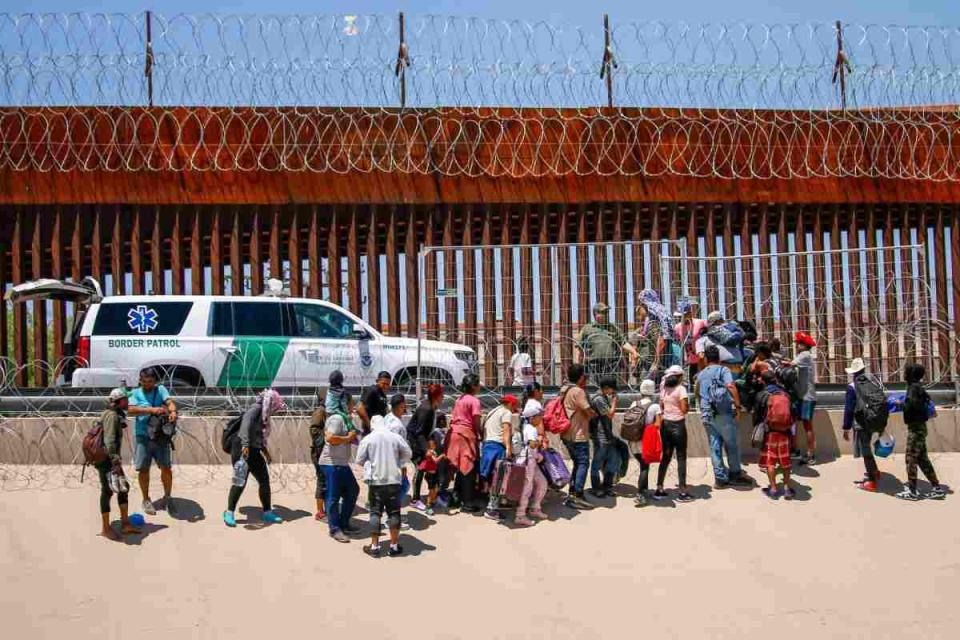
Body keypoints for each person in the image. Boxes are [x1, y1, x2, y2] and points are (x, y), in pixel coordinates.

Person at [223, 389, 287, 527]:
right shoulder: (256, 409)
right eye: (275, 405)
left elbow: (259, 436)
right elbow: (245, 425)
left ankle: (267, 511)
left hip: (254, 449)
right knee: (240, 481)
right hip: (241, 448)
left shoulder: (264, 415)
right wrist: (245, 446)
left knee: (264, 480)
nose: (275, 409)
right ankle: (229, 512)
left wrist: (266, 452)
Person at [356, 414, 412, 557]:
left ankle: (374, 547)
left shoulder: (368, 438)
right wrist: (399, 462)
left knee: (375, 512)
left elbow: (359, 459)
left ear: (373, 425)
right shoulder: (395, 437)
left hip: (376, 481)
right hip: (394, 480)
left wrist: (370, 462)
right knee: (394, 512)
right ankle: (393, 546)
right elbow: (408, 453)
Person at [127, 367, 178, 517]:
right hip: (143, 436)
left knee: (166, 468)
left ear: (155, 381)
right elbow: (130, 410)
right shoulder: (135, 393)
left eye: (150, 381)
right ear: (140, 381)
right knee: (143, 469)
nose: (147, 384)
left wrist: (173, 411)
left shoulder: (160, 390)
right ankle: (146, 499)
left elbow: (170, 402)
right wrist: (151, 410)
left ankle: (168, 497)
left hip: (160, 436)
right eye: (144, 381)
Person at [698, 345, 751, 489]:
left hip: (707, 414)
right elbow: (731, 386)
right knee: (731, 444)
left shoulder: (701, 374)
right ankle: (735, 474)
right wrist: (738, 406)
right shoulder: (723, 370)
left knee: (714, 447)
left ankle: (720, 479)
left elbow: (698, 394)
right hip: (723, 413)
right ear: (719, 358)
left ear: (707, 359)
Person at [897, 363, 947, 501]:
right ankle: (936, 488)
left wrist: (900, 404)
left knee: (911, 459)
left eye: (906, 372)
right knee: (922, 459)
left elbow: (913, 406)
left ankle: (912, 491)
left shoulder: (913, 388)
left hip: (916, 428)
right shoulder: (918, 388)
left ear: (911, 375)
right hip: (919, 427)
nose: (904, 374)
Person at [96, 388, 140, 540]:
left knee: (123, 488)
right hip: (107, 460)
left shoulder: (115, 414)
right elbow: (109, 440)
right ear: (119, 401)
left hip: (111, 459)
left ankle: (125, 524)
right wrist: (115, 461)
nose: (128, 402)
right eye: (126, 400)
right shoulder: (111, 416)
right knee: (107, 491)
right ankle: (106, 529)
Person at [319, 383, 361, 542]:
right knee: (333, 496)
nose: (353, 406)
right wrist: (348, 438)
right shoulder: (337, 419)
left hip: (341, 463)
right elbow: (329, 438)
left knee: (353, 490)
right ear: (344, 403)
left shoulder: (346, 419)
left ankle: (343, 523)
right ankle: (335, 529)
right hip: (331, 463)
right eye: (351, 403)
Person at [841, 357, 886, 492]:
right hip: (873, 420)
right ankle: (875, 471)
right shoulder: (872, 382)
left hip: (861, 422)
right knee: (867, 448)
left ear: (853, 373)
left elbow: (849, 409)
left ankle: (871, 481)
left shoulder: (852, 387)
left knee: (865, 450)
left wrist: (846, 427)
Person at [753, 370, 795, 500]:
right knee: (786, 461)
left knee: (770, 462)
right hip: (785, 433)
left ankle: (773, 489)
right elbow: (792, 413)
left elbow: (757, 415)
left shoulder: (762, 394)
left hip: (770, 432)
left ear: (763, 381)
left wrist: (756, 427)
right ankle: (787, 489)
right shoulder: (785, 394)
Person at [560, 363, 596, 509]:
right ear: (581, 377)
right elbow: (588, 411)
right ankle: (577, 495)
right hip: (578, 433)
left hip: (567, 433)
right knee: (583, 463)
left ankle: (572, 492)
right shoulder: (578, 391)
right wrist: (595, 413)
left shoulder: (564, 389)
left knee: (577, 462)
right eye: (585, 376)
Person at [656, 365, 693, 502]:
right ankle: (682, 491)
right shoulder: (681, 389)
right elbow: (684, 409)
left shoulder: (664, 388)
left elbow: (661, 406)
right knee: (681, 457)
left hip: (666, 425)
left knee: (665, 457)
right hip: (678, 425)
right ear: (679, 376)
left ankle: (659, 488)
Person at [447, 374, 483, 513]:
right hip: (465, 436)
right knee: (468, 469)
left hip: (454, 434)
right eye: (478, 384)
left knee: (460, 469)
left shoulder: (459, 399)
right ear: (473, 386)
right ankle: (467, 503)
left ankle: (456, 498)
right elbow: (476, 421)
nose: (480, 386)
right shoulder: (474, 401)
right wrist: (480, 433)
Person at [481, 394, 519, 520]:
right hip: (497, 448)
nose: (514, 409)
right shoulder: (506, 412)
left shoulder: (492, 411)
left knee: (492, 477)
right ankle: (492, 509)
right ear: (510, 404)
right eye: (514, 406)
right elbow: (506, 430)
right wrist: (508, 447)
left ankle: (494, 504)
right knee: (498, 479)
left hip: (487, 447)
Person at [408, 384, 444, 511]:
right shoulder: (426, 408)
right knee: (420, 470)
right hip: (416, 443)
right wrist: (426, 449)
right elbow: (419, 432)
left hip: (424, 442)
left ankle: (433, 496)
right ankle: (415, 500)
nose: (443, 396)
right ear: (437, 396)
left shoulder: (432, 407)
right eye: (442, 394)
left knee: (431, 469)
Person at [514, 402, 549, 526]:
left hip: (532, 461)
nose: (541, 419)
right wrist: (539, 441)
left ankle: (535, 508)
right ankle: (520, 515)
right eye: (539, 416)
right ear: (532, 417)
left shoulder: (528, 427)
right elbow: (532, 444)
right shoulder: (530, 428)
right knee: (527, 489)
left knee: (542, 483)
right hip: (528, 463)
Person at [576, 302, 627, 384]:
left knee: (611, 389)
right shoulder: (587, 329)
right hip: (593, 366)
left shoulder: (613, 328)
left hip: (611, 365)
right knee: (594, 389)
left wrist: (633, 352)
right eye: (603, 312)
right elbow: (580, 348)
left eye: (607, 312)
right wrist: (580, 365)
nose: (606, 314)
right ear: (595, 314)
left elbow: (623, 343)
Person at [629, 379, 660, 507]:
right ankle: (641, 494)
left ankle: (644, 490)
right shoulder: (655, 406)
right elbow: (658, 424)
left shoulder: (633, 403)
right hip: (645, 440)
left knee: (642, 464)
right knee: (645, 466)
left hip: (633, 439)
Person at [628, 289, 669, 384]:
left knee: (647, 387)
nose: (639, 308)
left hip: (653, 364)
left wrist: (655, 363)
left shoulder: (653, 323)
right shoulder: (645, 327)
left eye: (642, 305)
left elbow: (660, 341)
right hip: (647, 363)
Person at [588, 377, 620, 499]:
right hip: (600, 436)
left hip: (607, 435)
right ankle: (596, 488)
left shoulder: (603, 397)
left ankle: (607, 486)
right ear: (606, 388)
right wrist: (614, 403)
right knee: (597, 463)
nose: (613, 392)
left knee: (611, 462)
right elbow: (610, 414)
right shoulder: (599, 399)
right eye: (612, 389)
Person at [792, 332, 818, 464]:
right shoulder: (803, 356)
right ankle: (796, 450)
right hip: (802, 395)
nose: (796, 345)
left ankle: (810, 454)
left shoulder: (805, 355)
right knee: (796, 423)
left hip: (807, 396)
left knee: (807, 426)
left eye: (798, 343)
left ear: (804, 345)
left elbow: (790, 364)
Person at [674, 296, 707, 385]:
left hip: (702, 360)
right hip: (689, 362)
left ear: (690, 313)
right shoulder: (677, 327)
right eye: (680, 316)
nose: (682, 317)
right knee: (693, 384)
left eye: (684, 315)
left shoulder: (701, 323)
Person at [417, 430, 448, 516]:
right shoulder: (429, 453)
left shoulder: (433, 452)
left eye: (434, 444)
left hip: (434, 474)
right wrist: (442, 456)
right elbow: (436, 461)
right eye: (432, 445)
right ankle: (428, 506)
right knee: (431, 491)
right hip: (430, 475)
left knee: (436, 489)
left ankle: (433, 501)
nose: (434, 446)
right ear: (429, 446)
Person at [310, 389, 328, 521]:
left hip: (326, 452)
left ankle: (327, 509)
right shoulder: (320, 411)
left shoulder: (328, 411)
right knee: (322, 481)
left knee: (327, 481)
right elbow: (314, 430)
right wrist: (325, 440)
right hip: (319, 452)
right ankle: (320, 512)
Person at [358, 371, 392, 435]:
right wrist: (370, 426)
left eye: (387, 384)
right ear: (377, 381)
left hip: (380, 431)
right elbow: (360, 409)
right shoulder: (371, 390)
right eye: (383, 383)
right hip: (371, 432)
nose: (385, 386)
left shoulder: (382, 394)